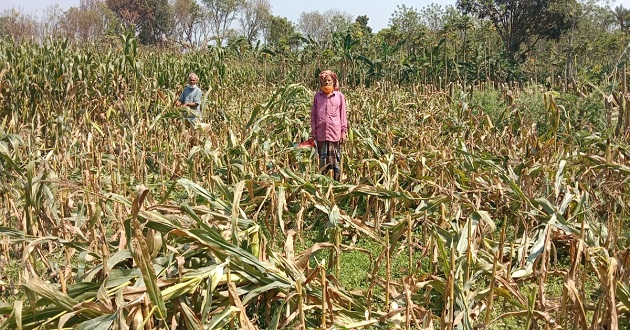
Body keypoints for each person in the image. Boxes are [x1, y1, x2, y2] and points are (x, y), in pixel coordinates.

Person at [310, 70, 347, 181]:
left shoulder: (339, 96)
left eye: (328, 80)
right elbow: (313, 115)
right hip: (321, 133)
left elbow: (343, 115)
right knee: (322, 160)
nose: (326, 82)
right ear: (321, 83)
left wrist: (343, 132)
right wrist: (314, 131)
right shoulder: (317, 96)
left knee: (334, 160)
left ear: (333, 81)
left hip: (334, 133)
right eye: (324, 81)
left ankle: (335, 182)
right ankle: (323, 181)